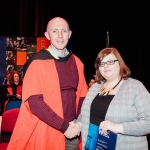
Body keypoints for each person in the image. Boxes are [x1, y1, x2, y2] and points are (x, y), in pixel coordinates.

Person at [7, 17, 88, 150]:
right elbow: (35, 103)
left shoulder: (78, 63)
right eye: (55, 31)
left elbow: (82, 97)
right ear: (47, 35)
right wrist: (64, 126)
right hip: (46, 129)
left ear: (70, 34)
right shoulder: (37, 63)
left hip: (72, 132)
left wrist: (78, 123)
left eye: (64, 30)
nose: (60, 35)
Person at [77, 47, 150, 150]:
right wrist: (76, 125)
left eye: (110, 61)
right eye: (101, 63)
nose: (105, 66)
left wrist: (119, 127)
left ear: (119, 63)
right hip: (92, 146)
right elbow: (85, 115)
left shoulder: (135, 87)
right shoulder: (95, 87)